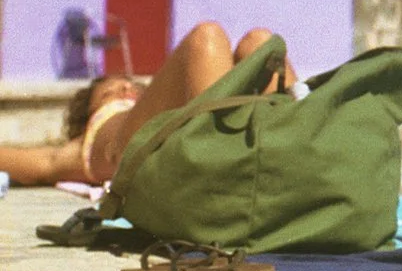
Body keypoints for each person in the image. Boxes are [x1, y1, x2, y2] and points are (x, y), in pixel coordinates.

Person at [12, 23, 296, 189]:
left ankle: (297, 158)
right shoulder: (78, 149)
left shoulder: (165, 105)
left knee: (260, 43)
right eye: (110, 92)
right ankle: (241, 168)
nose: (126, 87)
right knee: (206, 37)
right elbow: (37, 164)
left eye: (133, 86)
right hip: (132, 148)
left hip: (185, 137)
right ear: (89, 115)